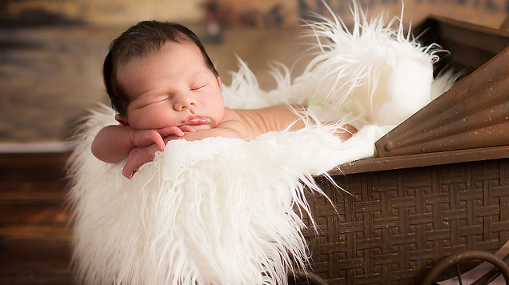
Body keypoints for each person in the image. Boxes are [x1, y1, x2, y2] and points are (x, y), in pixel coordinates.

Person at [92, 21, 355, 179]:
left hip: (323, 123)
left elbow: (223, 141)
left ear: (218, 86)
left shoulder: (228, 125)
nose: (186, 102)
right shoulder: (136, 131)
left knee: (345, 134)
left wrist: (152, 151)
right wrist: (133, 139)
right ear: (126, 120)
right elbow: (99, 147)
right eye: (158, 98)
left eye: (198, 86)